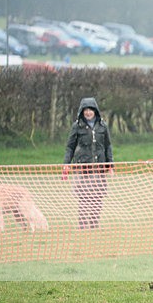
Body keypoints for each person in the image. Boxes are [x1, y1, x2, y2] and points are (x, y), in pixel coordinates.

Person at [62, 97, 114, 229]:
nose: (88, 112)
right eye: (86, 110)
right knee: (84, 197)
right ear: (82, 111)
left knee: (97, 197)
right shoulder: (77, 126)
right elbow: (70, 147)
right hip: (83, 168)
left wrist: (110, 165)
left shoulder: (103, 126)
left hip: (99, 168)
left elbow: (108, 146)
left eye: (91, 110)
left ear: (95, 111)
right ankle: (83, 224)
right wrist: (66, 164)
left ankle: (94, 223)